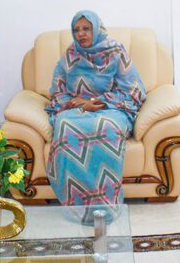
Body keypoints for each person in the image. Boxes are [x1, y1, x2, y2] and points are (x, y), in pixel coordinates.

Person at [45, 11, 146, 221]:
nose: (81, 34)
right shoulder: (69, 57)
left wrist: (95, 103)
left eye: (86, 28)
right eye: (76, 30)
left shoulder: (115, 52)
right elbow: (57, 92)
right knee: (64, 126)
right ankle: (78, 205)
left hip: (111, 109)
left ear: (97, 29)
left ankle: (105, 205)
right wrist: (74, 103)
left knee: (105, 126)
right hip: (76, 110)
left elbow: (132, 91)